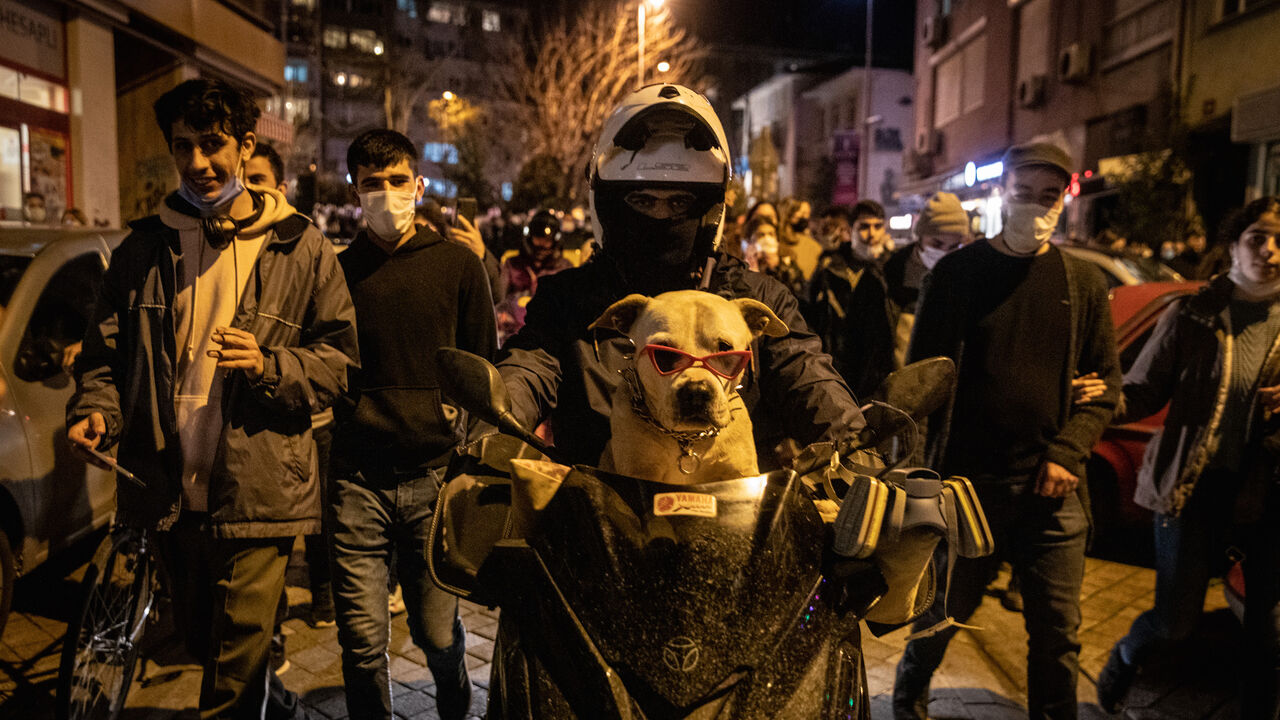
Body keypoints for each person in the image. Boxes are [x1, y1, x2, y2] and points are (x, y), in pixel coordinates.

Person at [66, 77, 358, 720]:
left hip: (261, 488)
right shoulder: (142, 249)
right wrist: (98, 411)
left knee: (234, 668)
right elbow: (103, 358)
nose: (198, 163)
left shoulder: (301, 245)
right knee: (204, 644)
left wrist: (271, 364)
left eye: (213, 144)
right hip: (166, 490)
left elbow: (339, 362)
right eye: (182, 147)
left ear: (246, 143)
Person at [892, 142, 1121, 720]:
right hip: (971, 491)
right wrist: (917, 476)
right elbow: (921, 383)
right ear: (1002, 193)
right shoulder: (958, 276)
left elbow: (1108, 390)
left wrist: (1070, 450)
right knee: (943, 612)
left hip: (1053, 493)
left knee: (1058, 634)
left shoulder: (1085, 284)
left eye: (1050, 197)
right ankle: (908, 695)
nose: (1036, 208)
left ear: (1064, 201)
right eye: (1025, 193)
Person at [1092, 196, 1280, 717]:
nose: (1270, 250)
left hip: (1266, 493)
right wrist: (1095, 400)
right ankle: (1126, 658)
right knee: (1175, 622)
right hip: (1191, 490)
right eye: (1257, 238)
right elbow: (1143, 391)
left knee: (1267, 632)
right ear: (1235, 245)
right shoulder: (1192, 313)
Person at [330, 128, 495, 720]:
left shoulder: (458, 266)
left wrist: (467, 463)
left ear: (419, 186)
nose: (386, 194)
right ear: (355, 191)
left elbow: (484, 371)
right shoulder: (336, 272)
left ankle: (455, 699)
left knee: (436, 634)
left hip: (432, 477)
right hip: (356, 480)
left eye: (398, 181)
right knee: (361, 642)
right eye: (372, 183)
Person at [246, 142, 337, 638]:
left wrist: (273, 365)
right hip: (253, 421)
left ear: (280, 189)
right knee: (264, 533)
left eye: (258, 180)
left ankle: (323, 594)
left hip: (310, 415)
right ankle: (271, 627)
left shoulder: (306, 248)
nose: (248, 189)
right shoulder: (224, 248)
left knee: (318, 520)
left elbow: (332, 346)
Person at [806, 202, 897, 400]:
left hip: (879, 376)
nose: (871, 234)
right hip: (837, 372)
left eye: (877, 226)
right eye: (863, 227)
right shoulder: (829, 270)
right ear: (850, 230)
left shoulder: (893, 270)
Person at [883, 191, 972, 367]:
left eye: (953, 247)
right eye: (937, 244)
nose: (944, 252)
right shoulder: (889, 273)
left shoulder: (966, 279)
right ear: (920, 236)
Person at [495, 210, 572, 343]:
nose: (542, 246)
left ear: (555, 241)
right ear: (529, 238)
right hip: (514, 334)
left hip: (552, 336)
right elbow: (498, 297)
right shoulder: (512, 264)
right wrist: (502, 314)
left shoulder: (565, 268)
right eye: (538, 240)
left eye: (546, 241)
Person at [778, 196, 821, 280]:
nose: (806, 217)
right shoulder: (775, 241)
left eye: (808, 214)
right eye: (803, 213)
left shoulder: (811, 245)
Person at [850, 199, 894, 265]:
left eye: (877, 226)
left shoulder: (895, 259)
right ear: (851, 229)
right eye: (864, 227)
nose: (872, 233)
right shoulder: (837, 262)